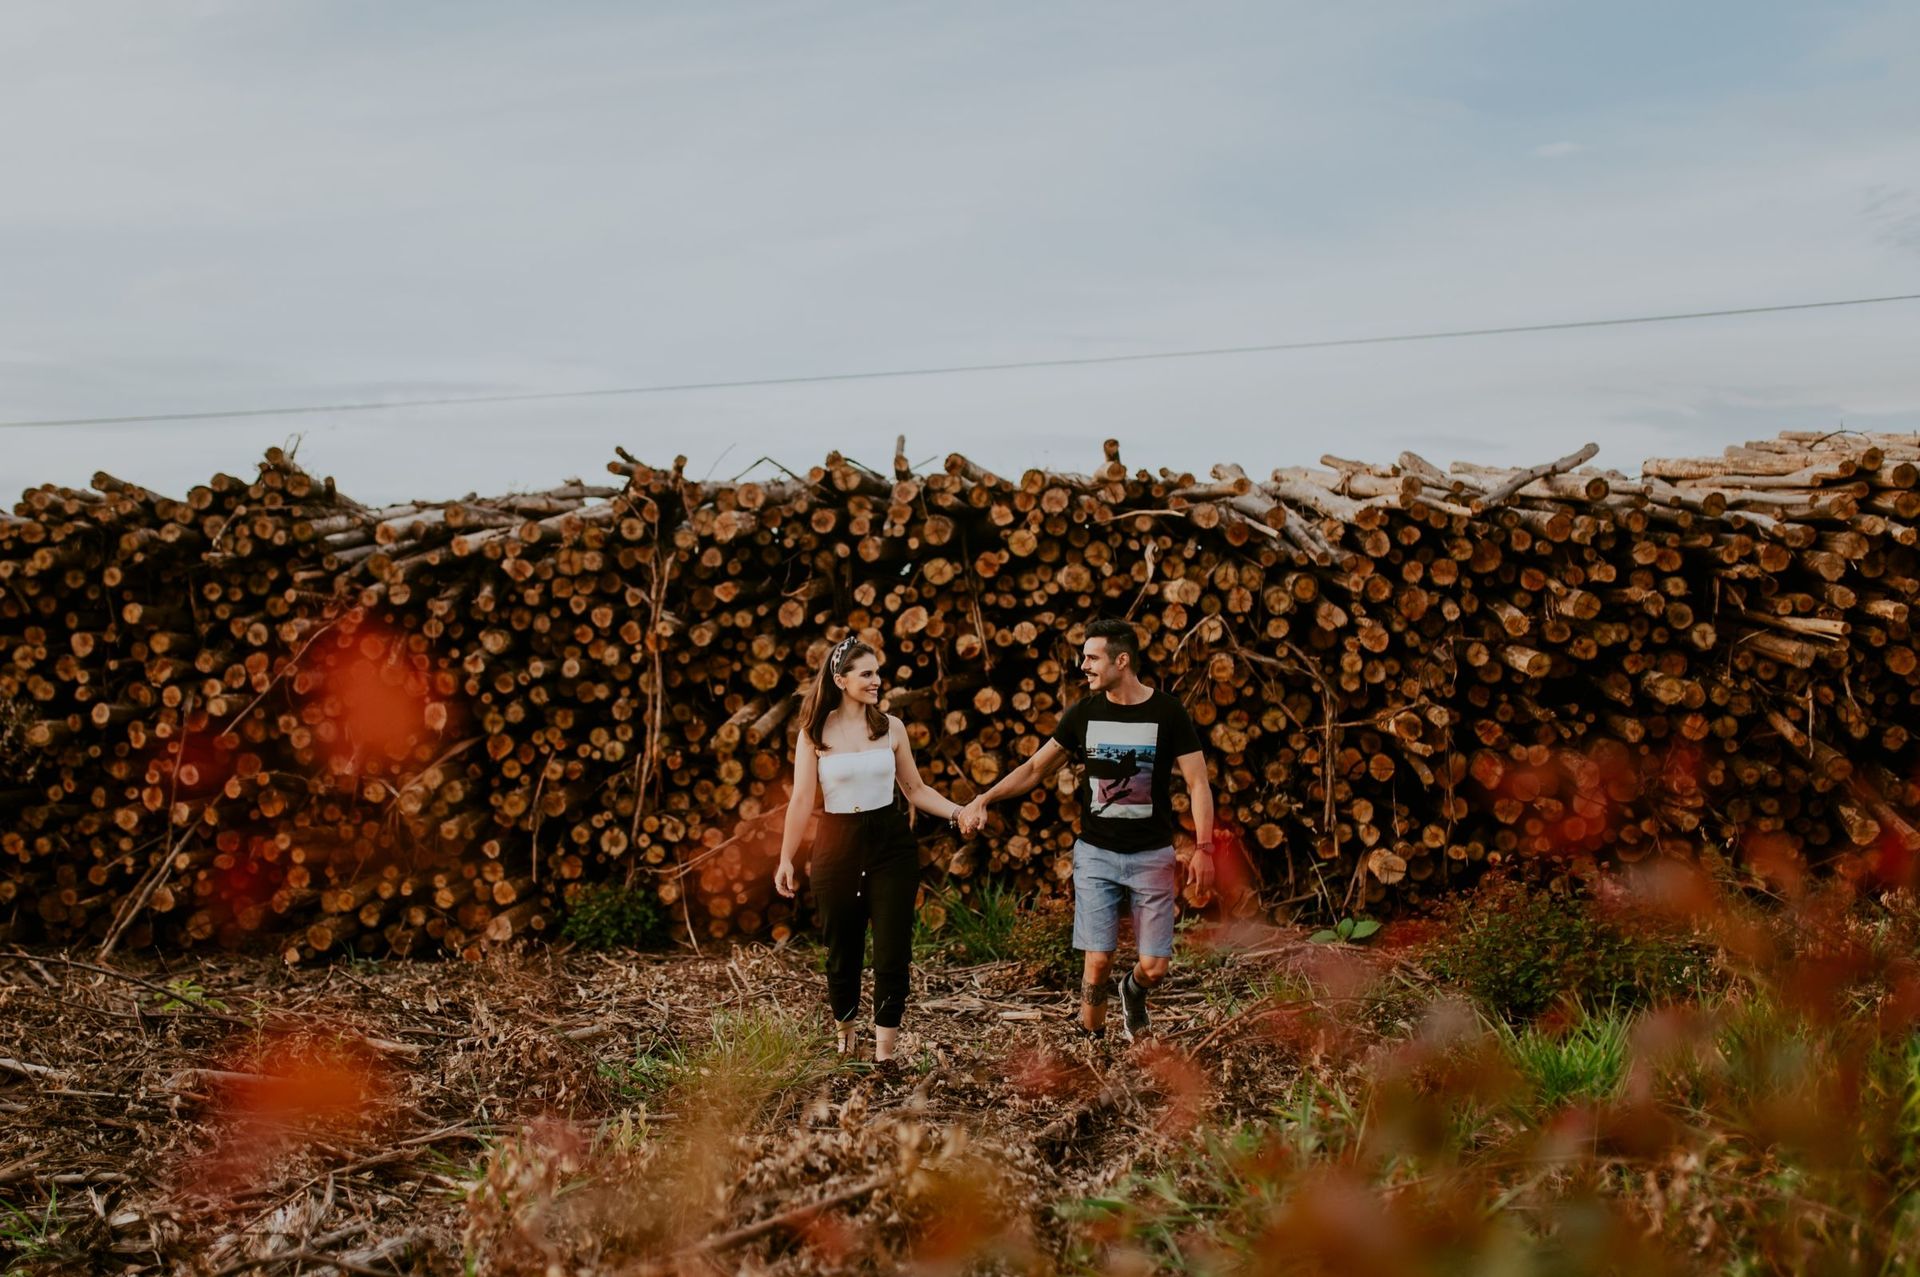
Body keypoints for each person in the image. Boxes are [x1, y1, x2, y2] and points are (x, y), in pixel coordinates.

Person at [961, 618, 1214, 1042]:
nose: (1084, 666)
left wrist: (1203, 847)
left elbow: (1198, 782)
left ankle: (1132, 993)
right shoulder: (1083, 714)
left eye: (1092, 657)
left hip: (1152, 853)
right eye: (1084, 657)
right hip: (1096, 853)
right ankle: (1091, 1041)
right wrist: (984, 798)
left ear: (1122, 660)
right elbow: (1036, 768)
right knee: (1097, 960)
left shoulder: (1168, 713)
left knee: (1155, 966)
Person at [775, 635, 966, 1065]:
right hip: (836, 846)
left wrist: (958, 812)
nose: (877, 681)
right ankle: (846, 1037)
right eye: (867, 674)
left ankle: (884, 1055)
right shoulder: (814, 733)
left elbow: (915, 789)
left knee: (891, 952)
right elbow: (802, 800)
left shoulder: (890, 728)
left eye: (878, 673)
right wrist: (786, 858)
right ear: (840, 680)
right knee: (843, 950)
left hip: (890, 845)